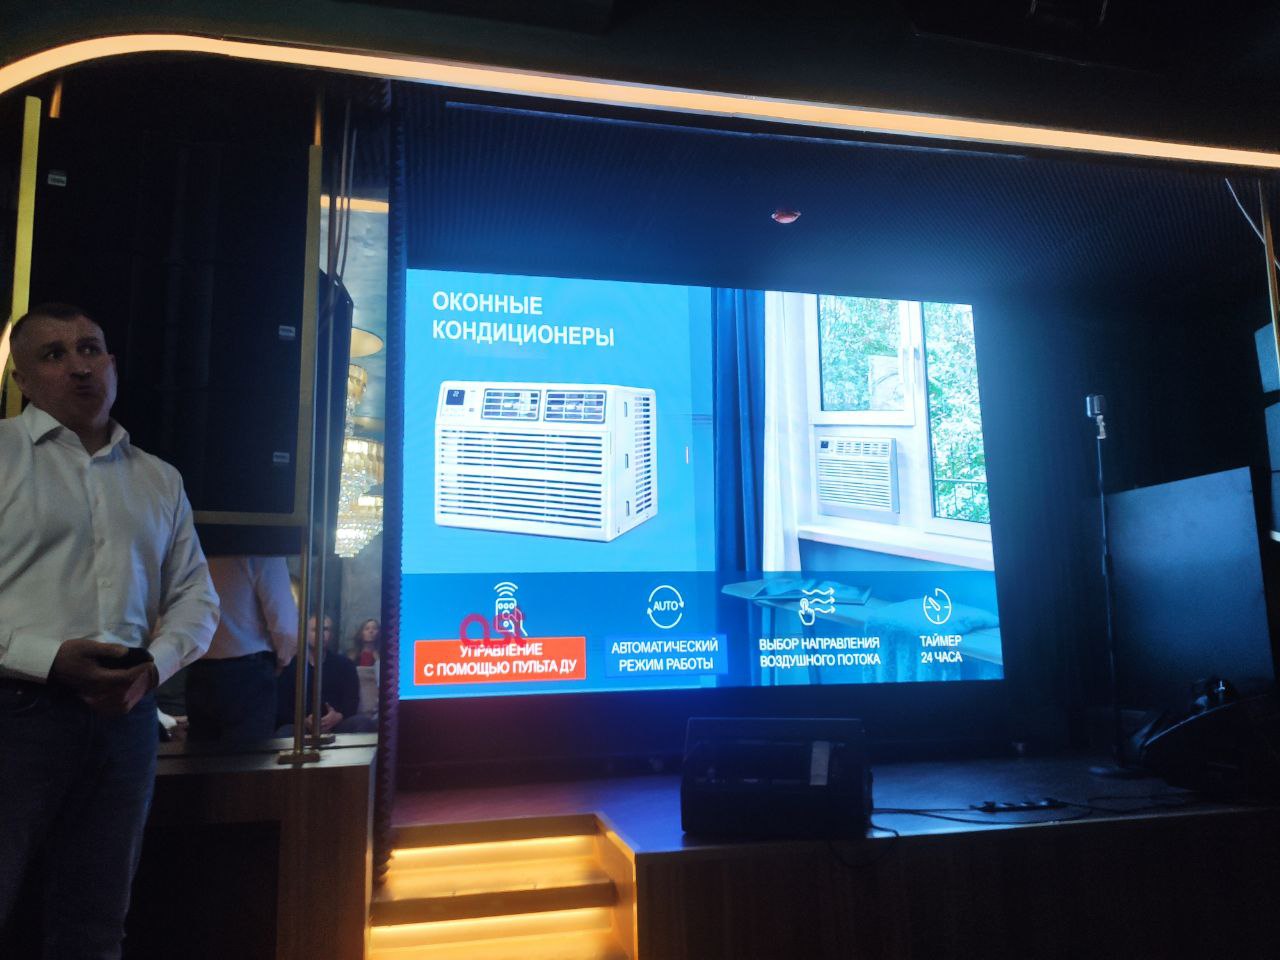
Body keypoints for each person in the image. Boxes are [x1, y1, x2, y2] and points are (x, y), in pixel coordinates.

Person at [0, 303, 219, 958]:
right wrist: (45, 658)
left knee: (95, 923)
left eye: (90, 349)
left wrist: (154, 667)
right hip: (14, 713)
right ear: (21, 379)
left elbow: (196, 598)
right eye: (54, 354)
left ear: (113, 366)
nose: (79, 366)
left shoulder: (158, 478)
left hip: (127, 721)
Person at [186, 555, 298, 743]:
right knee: (249, 756)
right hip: (248, 673)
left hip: (199, 668)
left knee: (202, 756)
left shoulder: (195, 547)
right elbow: (285, 626)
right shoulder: (264, 551)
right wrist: (283, 660)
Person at [276, 615, 364, 735]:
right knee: (285, 732)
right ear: (305, 634)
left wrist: (338, 716)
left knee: (362, 723)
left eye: (325, 629)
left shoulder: (345, 664)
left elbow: (352, 699)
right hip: (301, 726)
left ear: (331, 634)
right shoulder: (291, 665)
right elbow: (281, 704)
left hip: (337, 725)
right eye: (315, 630)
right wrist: (304, 721)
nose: (321, 634)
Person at [347, 618, 380, 719]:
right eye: (367, 628)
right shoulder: (351, 656)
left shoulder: (384, 657)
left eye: (374, 628)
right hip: (357, 705)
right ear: (361, 633)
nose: (371, 631)